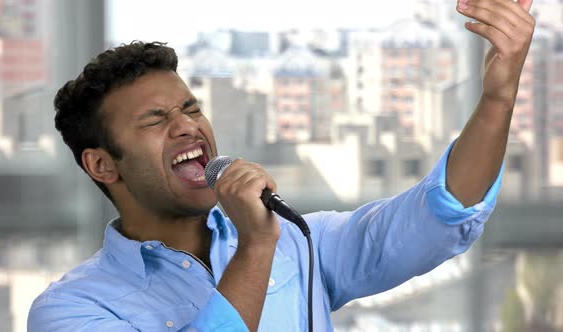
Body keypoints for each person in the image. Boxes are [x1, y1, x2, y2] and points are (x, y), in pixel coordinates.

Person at [27, 0, 536, 331]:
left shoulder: (298, 241)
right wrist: (255, 247)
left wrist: (497, 99)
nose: (187, 127)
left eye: (191, 108)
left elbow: (436, 217)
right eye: (156, 119)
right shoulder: (73, 309)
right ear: (101, 165)